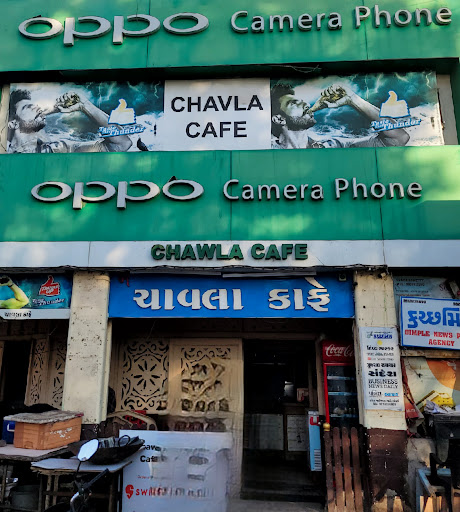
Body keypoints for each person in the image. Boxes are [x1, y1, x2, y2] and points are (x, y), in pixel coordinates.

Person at [271, 81, 410, 149]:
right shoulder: (270, 152)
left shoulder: (334, 147)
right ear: (278, 119)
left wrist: (352, 99)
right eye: (294, 103)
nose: (306, 104)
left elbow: (399, 138)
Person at [7, 89, 132, 153]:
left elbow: (122, 143)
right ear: (13, 123)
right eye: (28, 107)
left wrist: (85, 105)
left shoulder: (58, 149)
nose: (37, 107)